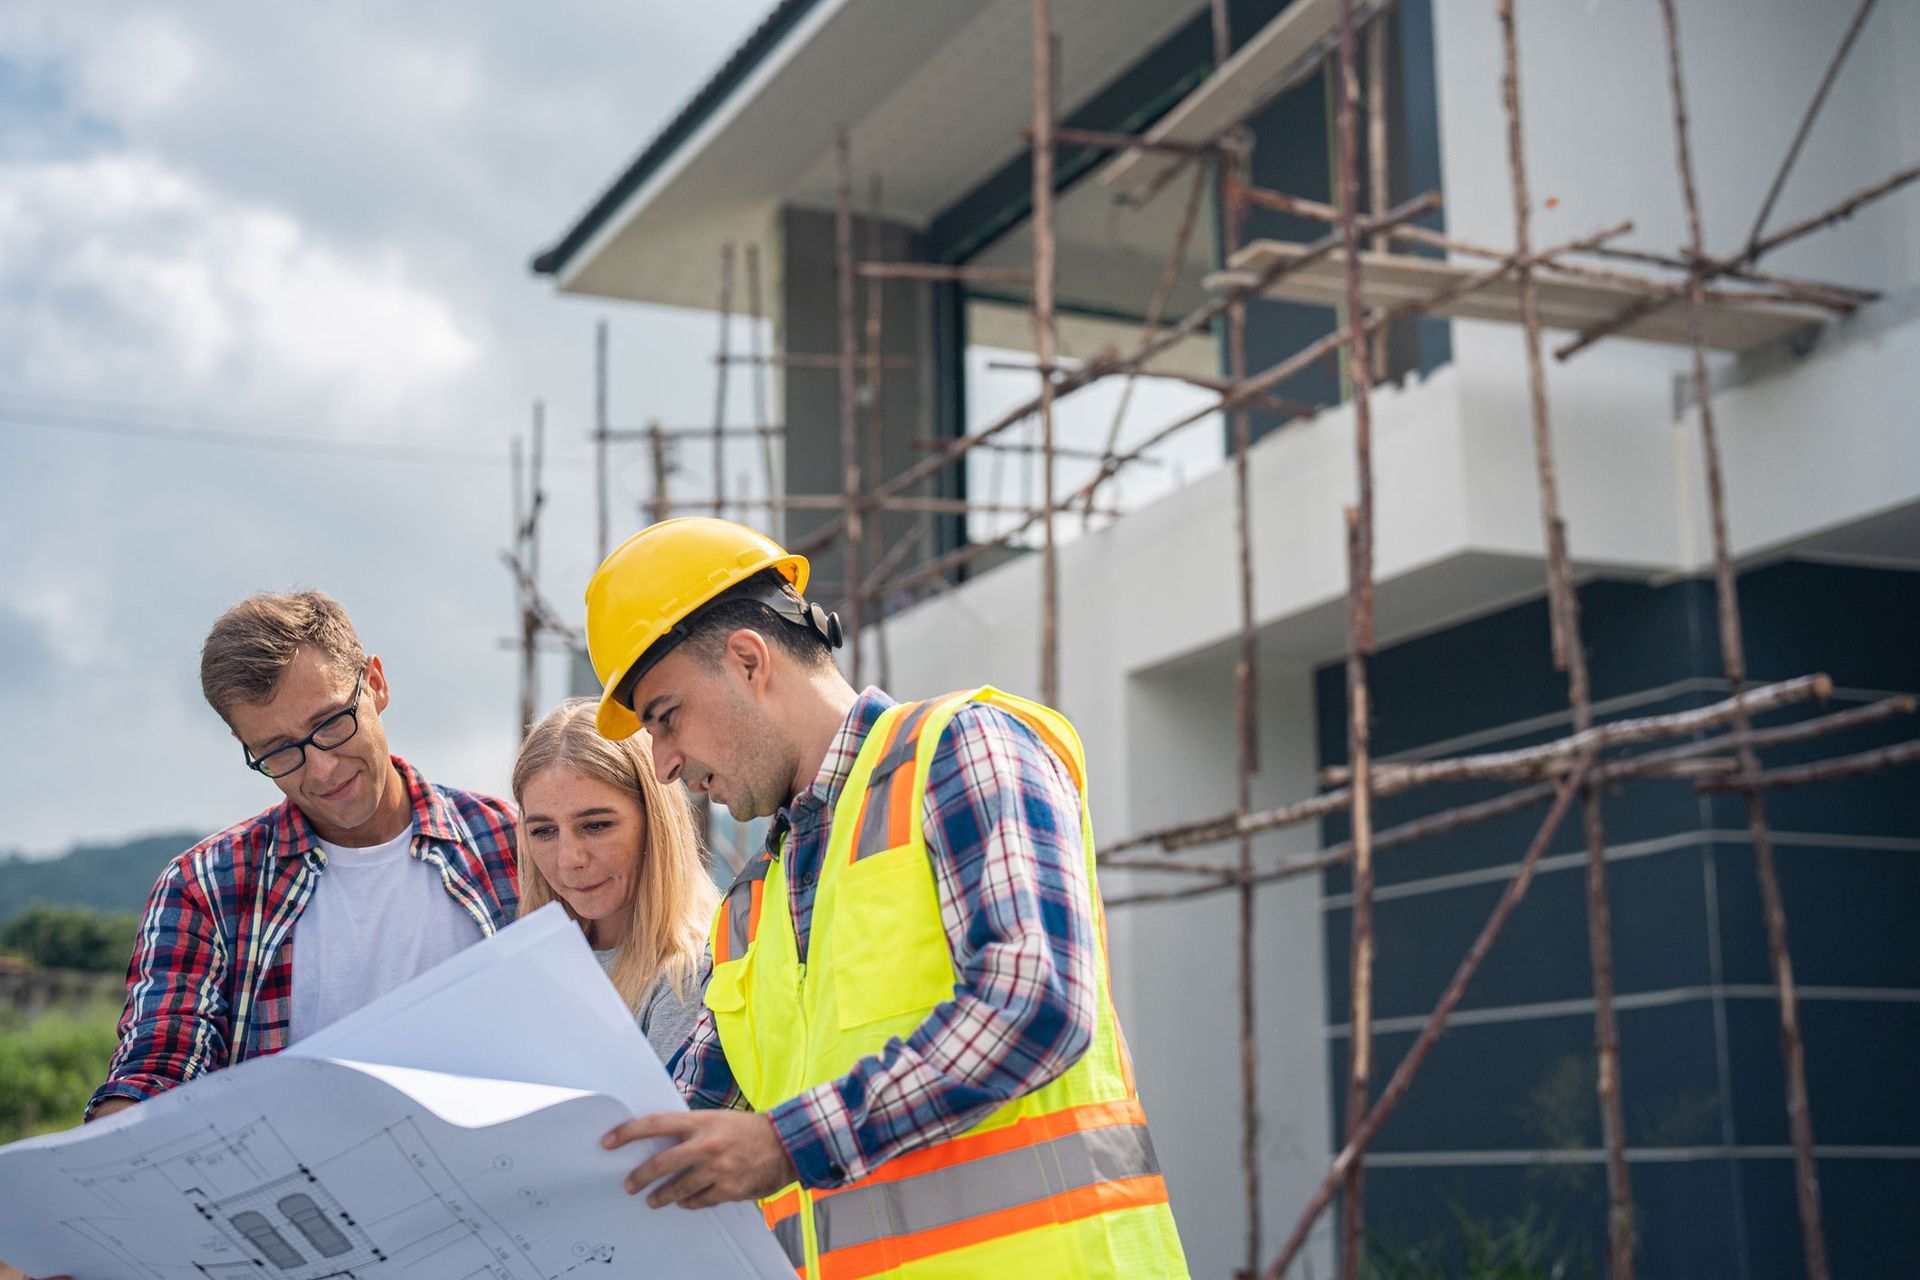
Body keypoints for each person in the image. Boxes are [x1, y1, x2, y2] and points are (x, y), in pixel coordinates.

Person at [584, 518, 1189, 1279]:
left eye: (665, 717)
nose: (664, 763)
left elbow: (1037, 1000)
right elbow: (676, 1131)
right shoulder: (751, 910)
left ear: (747, 660)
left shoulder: (961, 749)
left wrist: (785, 1144)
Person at [88, 590, 520, 1120]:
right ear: (243, 743)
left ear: (376, 684)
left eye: (332, 723)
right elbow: (159, 1065)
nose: (321, 770)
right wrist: (119, 1140)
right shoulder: (204, 887)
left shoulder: (514, 844)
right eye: (278, 751)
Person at [511, 697, 716, 1064]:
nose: (568, 859)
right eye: (544, 831)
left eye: (596, 826)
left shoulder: (692, 974)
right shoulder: (523, 967)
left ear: (655, 821)